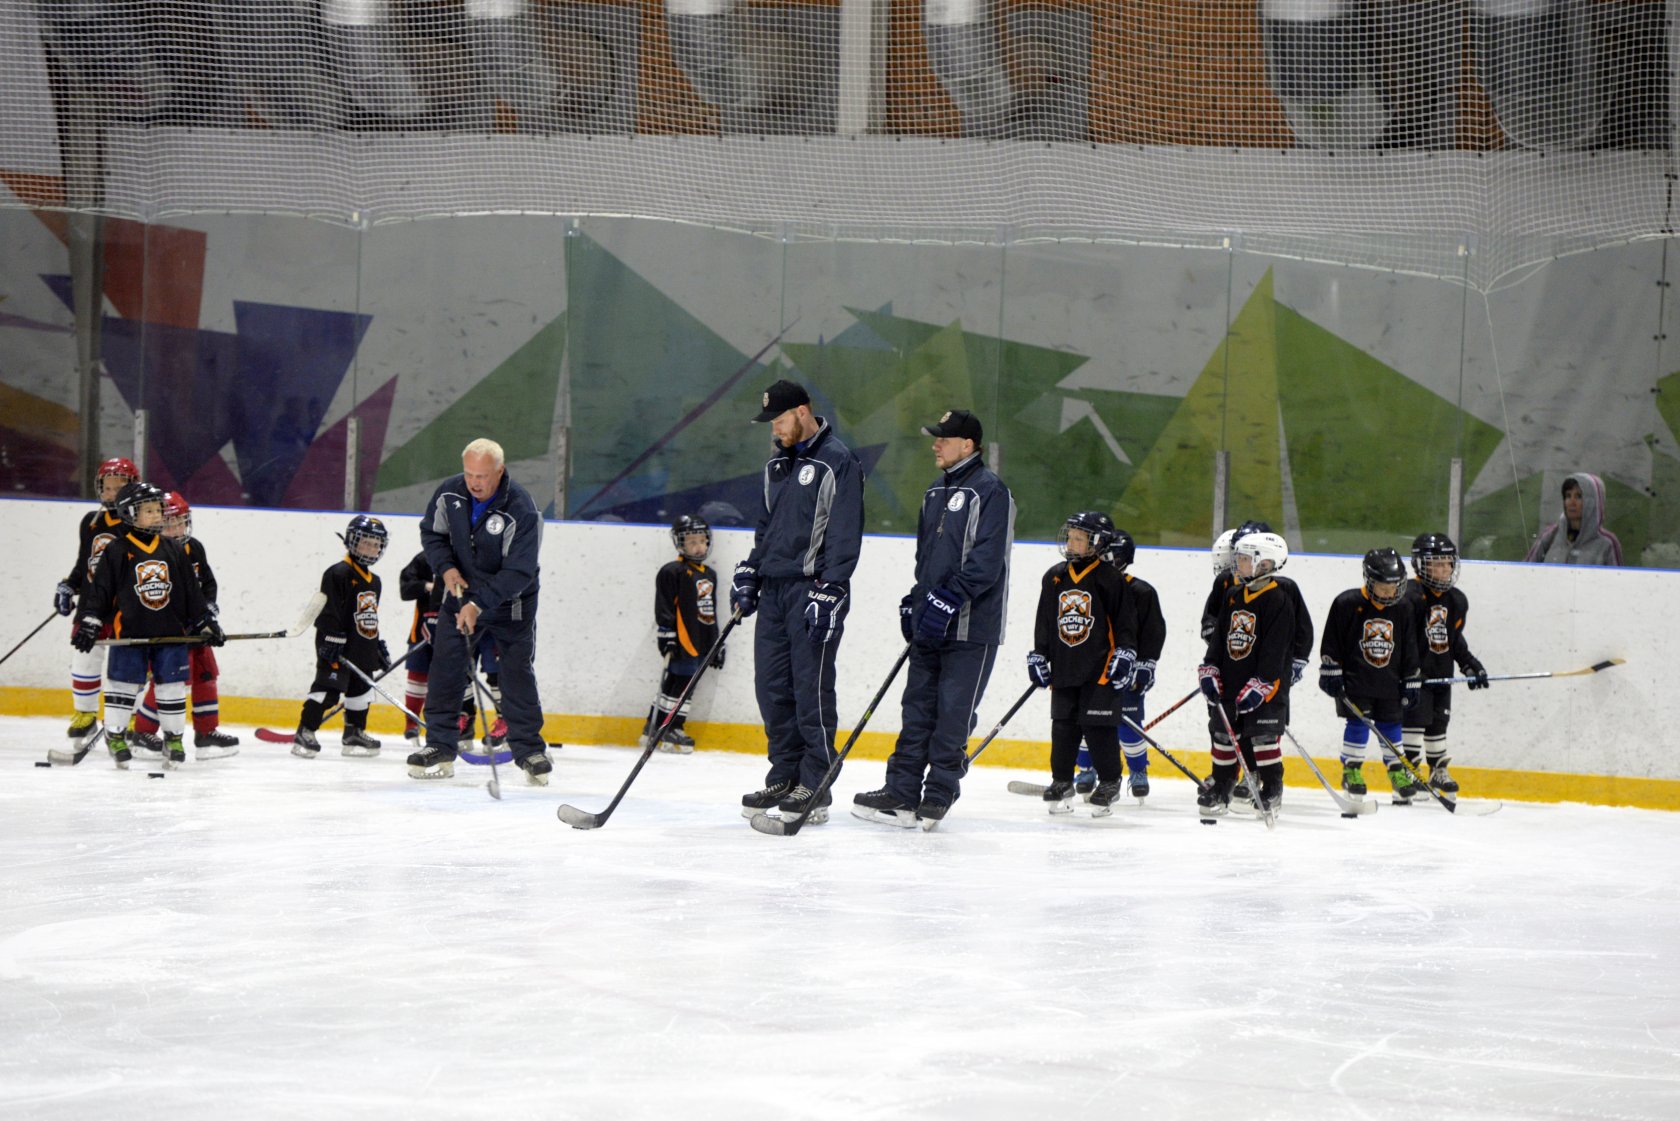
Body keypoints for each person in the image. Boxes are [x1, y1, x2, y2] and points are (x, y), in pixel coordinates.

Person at [852, 410, 1014, 829]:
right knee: (917, 709)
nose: (935, 445)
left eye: (944, 438)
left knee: (952, 713)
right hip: (931, 621)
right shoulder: (933, 492)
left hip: (970, 626)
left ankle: (939, 793)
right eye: (935, 438)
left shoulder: (991, 491)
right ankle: (902, 792)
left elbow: (986, 563)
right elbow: (926, 560)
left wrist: (948, 601)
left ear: (968, 445)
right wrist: (917, 598)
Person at [731, 380, 865, 826]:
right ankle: (785, 774)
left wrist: (832, 587)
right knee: (772, 689)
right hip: (774, 592)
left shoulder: (837, 461)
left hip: (814, 590)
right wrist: (753, 568)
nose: (775, 429)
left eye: (782, 420)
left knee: (811, 689)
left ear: (804, 412)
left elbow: (844, 533)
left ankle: (816, 782)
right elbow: (766, 529)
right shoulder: (776, 465)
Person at [408, 438, 550, 783]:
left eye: (482, 475)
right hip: (460, 593)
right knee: (446, 667)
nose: (474, 482)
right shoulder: (449, 494)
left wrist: (478, 604)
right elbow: (433, 535)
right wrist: (445, 568)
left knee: (515, 672)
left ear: (499, 471)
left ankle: (529, 749)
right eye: (469, 473)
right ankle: (441, 745)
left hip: (511, 601)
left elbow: (519, 571)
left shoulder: (520, 508)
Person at [71, 481, 223, 769]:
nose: (157, 516)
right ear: (130, 513)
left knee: (172, 687)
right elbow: (100, 591)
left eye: (158, 510)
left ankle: (174, 738)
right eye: (149, 511)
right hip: (129, 633)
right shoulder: (117, 550)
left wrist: (206, 620)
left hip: (171, 634)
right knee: (123, 686)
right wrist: (90, 620)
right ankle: (115, 735)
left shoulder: (174, 549)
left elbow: (191, 592)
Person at [1017, 512, 1135, 817]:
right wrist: (1039, 654)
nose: (1071, 542)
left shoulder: (1110, 578)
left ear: (1097, 543)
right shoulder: (1055, 575)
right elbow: (1045, 621)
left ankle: (1109, 782)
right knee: (1063, 727)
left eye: (1079, 538)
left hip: (1101, 669)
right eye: (1070, 536)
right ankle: (1062, 781)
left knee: (1098, 728)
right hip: (1065, 667)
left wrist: (1125, 653)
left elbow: (1124, 624)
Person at [1196, 519, 1314, 802]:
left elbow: (1283, 644)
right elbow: (1216, 633)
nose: (1237, 564)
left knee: (1261, 735)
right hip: (1232, 675)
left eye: (1244, 559)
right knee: (1224, 732)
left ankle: (1268, 784)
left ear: (1264, 563)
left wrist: (1268, 679)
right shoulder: (1232, 592)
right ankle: (1223, 785)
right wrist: (1210, 668)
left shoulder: (1281, 596)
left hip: (1266, 680)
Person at [128, 492, 240, 761]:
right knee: (168, 679)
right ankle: (142, 732)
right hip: (171, 629)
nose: (176, 529)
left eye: (180, 522)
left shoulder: (194, 547)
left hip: (198, 626)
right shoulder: (152, 553)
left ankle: (206, 733)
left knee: (205, 675)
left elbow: (208, 583)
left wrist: (209, 610)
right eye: (169, 523)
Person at [1319, 547, 1425, 805]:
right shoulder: (1347, 603)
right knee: (1357, 724)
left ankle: (1397, 774)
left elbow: (1410, 646)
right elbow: (1332, 640)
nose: (1390, 592)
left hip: (1390, 681)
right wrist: (1330, 669)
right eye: (1383, 587)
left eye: (1394, 586)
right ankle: (1352, 770)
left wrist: (1412, 678)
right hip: (1356, 681)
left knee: (1391, 726)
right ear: (1369, 580)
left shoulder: (1404, 607)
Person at [49, 456, 136, 764]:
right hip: (91, 605)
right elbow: (83, 563)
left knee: (129, 668)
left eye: (118, 488)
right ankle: (85, 715)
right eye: (107, 487)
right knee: (84, 658)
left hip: (126, 606)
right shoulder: (90, 521)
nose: (111, 493)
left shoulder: (137, 521)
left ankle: (132, 719)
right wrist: (69, 585)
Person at [291, 516, 391, 759]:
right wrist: (331, 640)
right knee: (328, 691)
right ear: (352, 542)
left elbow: (369, 616)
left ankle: (353, 734)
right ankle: (305, 731)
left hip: (361, 646)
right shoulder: (338, 573)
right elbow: (328, 611)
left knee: (361, 693)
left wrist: (376, 645)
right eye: (366, 542)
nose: (372, 548)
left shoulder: (375, 581)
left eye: (376, 544)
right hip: (336, 647)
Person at [1403, 533, 1489, 796]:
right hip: (1414, 676)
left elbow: (1453, 640)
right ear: (1420, 565)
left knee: (1439, 723)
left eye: (1448, 563)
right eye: (1436, 563)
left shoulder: (1457, 600)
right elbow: (1403, 639)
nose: (1444, 569)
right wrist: (1408, 672)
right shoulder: (1409, 595)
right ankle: (1408, 771)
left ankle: (1437, 770)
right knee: (1415, 723)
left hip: (1441, 674)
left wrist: (1469, 664)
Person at [397, 551, 503, 745]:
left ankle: (505, 720)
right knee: (459, 673)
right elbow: (410, 589)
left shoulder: (481, 556)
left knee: (495, 671)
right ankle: (464, 717)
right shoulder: (428, 558)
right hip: (446, 624)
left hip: (485, 620)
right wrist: (430, 600)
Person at [648, 514, 724, 753]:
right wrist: (666, 635)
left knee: (684, 685)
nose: (698, 546)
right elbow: (664, 607)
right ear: (679, 544)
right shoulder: (672, 572)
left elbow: (711, 612)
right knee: (678, 684)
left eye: (701, 540)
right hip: (682, 639)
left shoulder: (709, 574)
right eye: (691, 541)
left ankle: (660, 726)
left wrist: (717, 644)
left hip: (702, 640)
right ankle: (669, 727)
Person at [1106, 529, 1168, 800]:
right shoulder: (1093, 587)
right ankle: (1086, 769)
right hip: (1093, 668)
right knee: (1086, 723)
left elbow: (1153, 631)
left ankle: (1138, 771)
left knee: (1129, 723)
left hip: (1128, 671)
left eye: (1113, 556)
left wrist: (1147, 663)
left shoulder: (1141, 591)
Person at [1525, 472, 1622, 566]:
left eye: (1579, 496)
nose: (1572, 502)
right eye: (1568, 496)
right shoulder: (1551, 535)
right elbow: (1524, 571)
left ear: (1592, 502)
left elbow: (1618, 579)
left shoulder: (1607, 544)